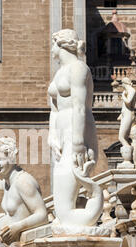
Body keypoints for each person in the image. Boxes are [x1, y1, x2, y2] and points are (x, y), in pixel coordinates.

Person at [47, 29, 99, 227]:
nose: (51, 49)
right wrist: (52, 134)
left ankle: (75, 224)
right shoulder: (60, 72)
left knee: (67, 177)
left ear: (61, 45)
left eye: (53, 44)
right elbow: (54, 107)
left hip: (77, 130)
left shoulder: (79, 68)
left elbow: (79, 106)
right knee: (60, 179)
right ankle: (66, 222)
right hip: (62, 133)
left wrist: (78, 142)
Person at [117, 77, 136, 149]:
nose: (121, 85)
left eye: (122, 83)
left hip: (128, 115)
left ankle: (128, 152)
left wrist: (123, 96)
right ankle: (129, 153)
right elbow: (125, 106)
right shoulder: (127, 92)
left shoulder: (132, 90)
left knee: (121, 137)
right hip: (125, 115)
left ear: (124, 83)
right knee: (123, 137)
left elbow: (128, 102)